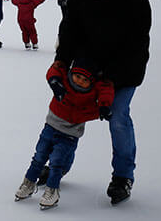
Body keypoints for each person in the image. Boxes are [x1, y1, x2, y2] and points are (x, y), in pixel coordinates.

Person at [55, 0, 151, 205]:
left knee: (118, 117)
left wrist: (111, 79)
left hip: (124, 71)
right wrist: (61, 63)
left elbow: (137, 44)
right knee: (67, 113)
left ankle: (122, 176)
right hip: (87, 67)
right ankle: (58, 165)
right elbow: (69, 29)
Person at [14, 59, 114, 210]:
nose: (80, 82)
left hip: (69, 135)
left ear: (91, 82)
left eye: (85, 80)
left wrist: (104, 106)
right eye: (78, 77)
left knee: (56, 164)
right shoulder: (64, 83)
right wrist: (54, 81)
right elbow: (55, 68)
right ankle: (28, 183)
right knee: (38, 158)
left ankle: (52, 191)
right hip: (50, 127)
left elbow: (106, 89)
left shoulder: (91, 94)